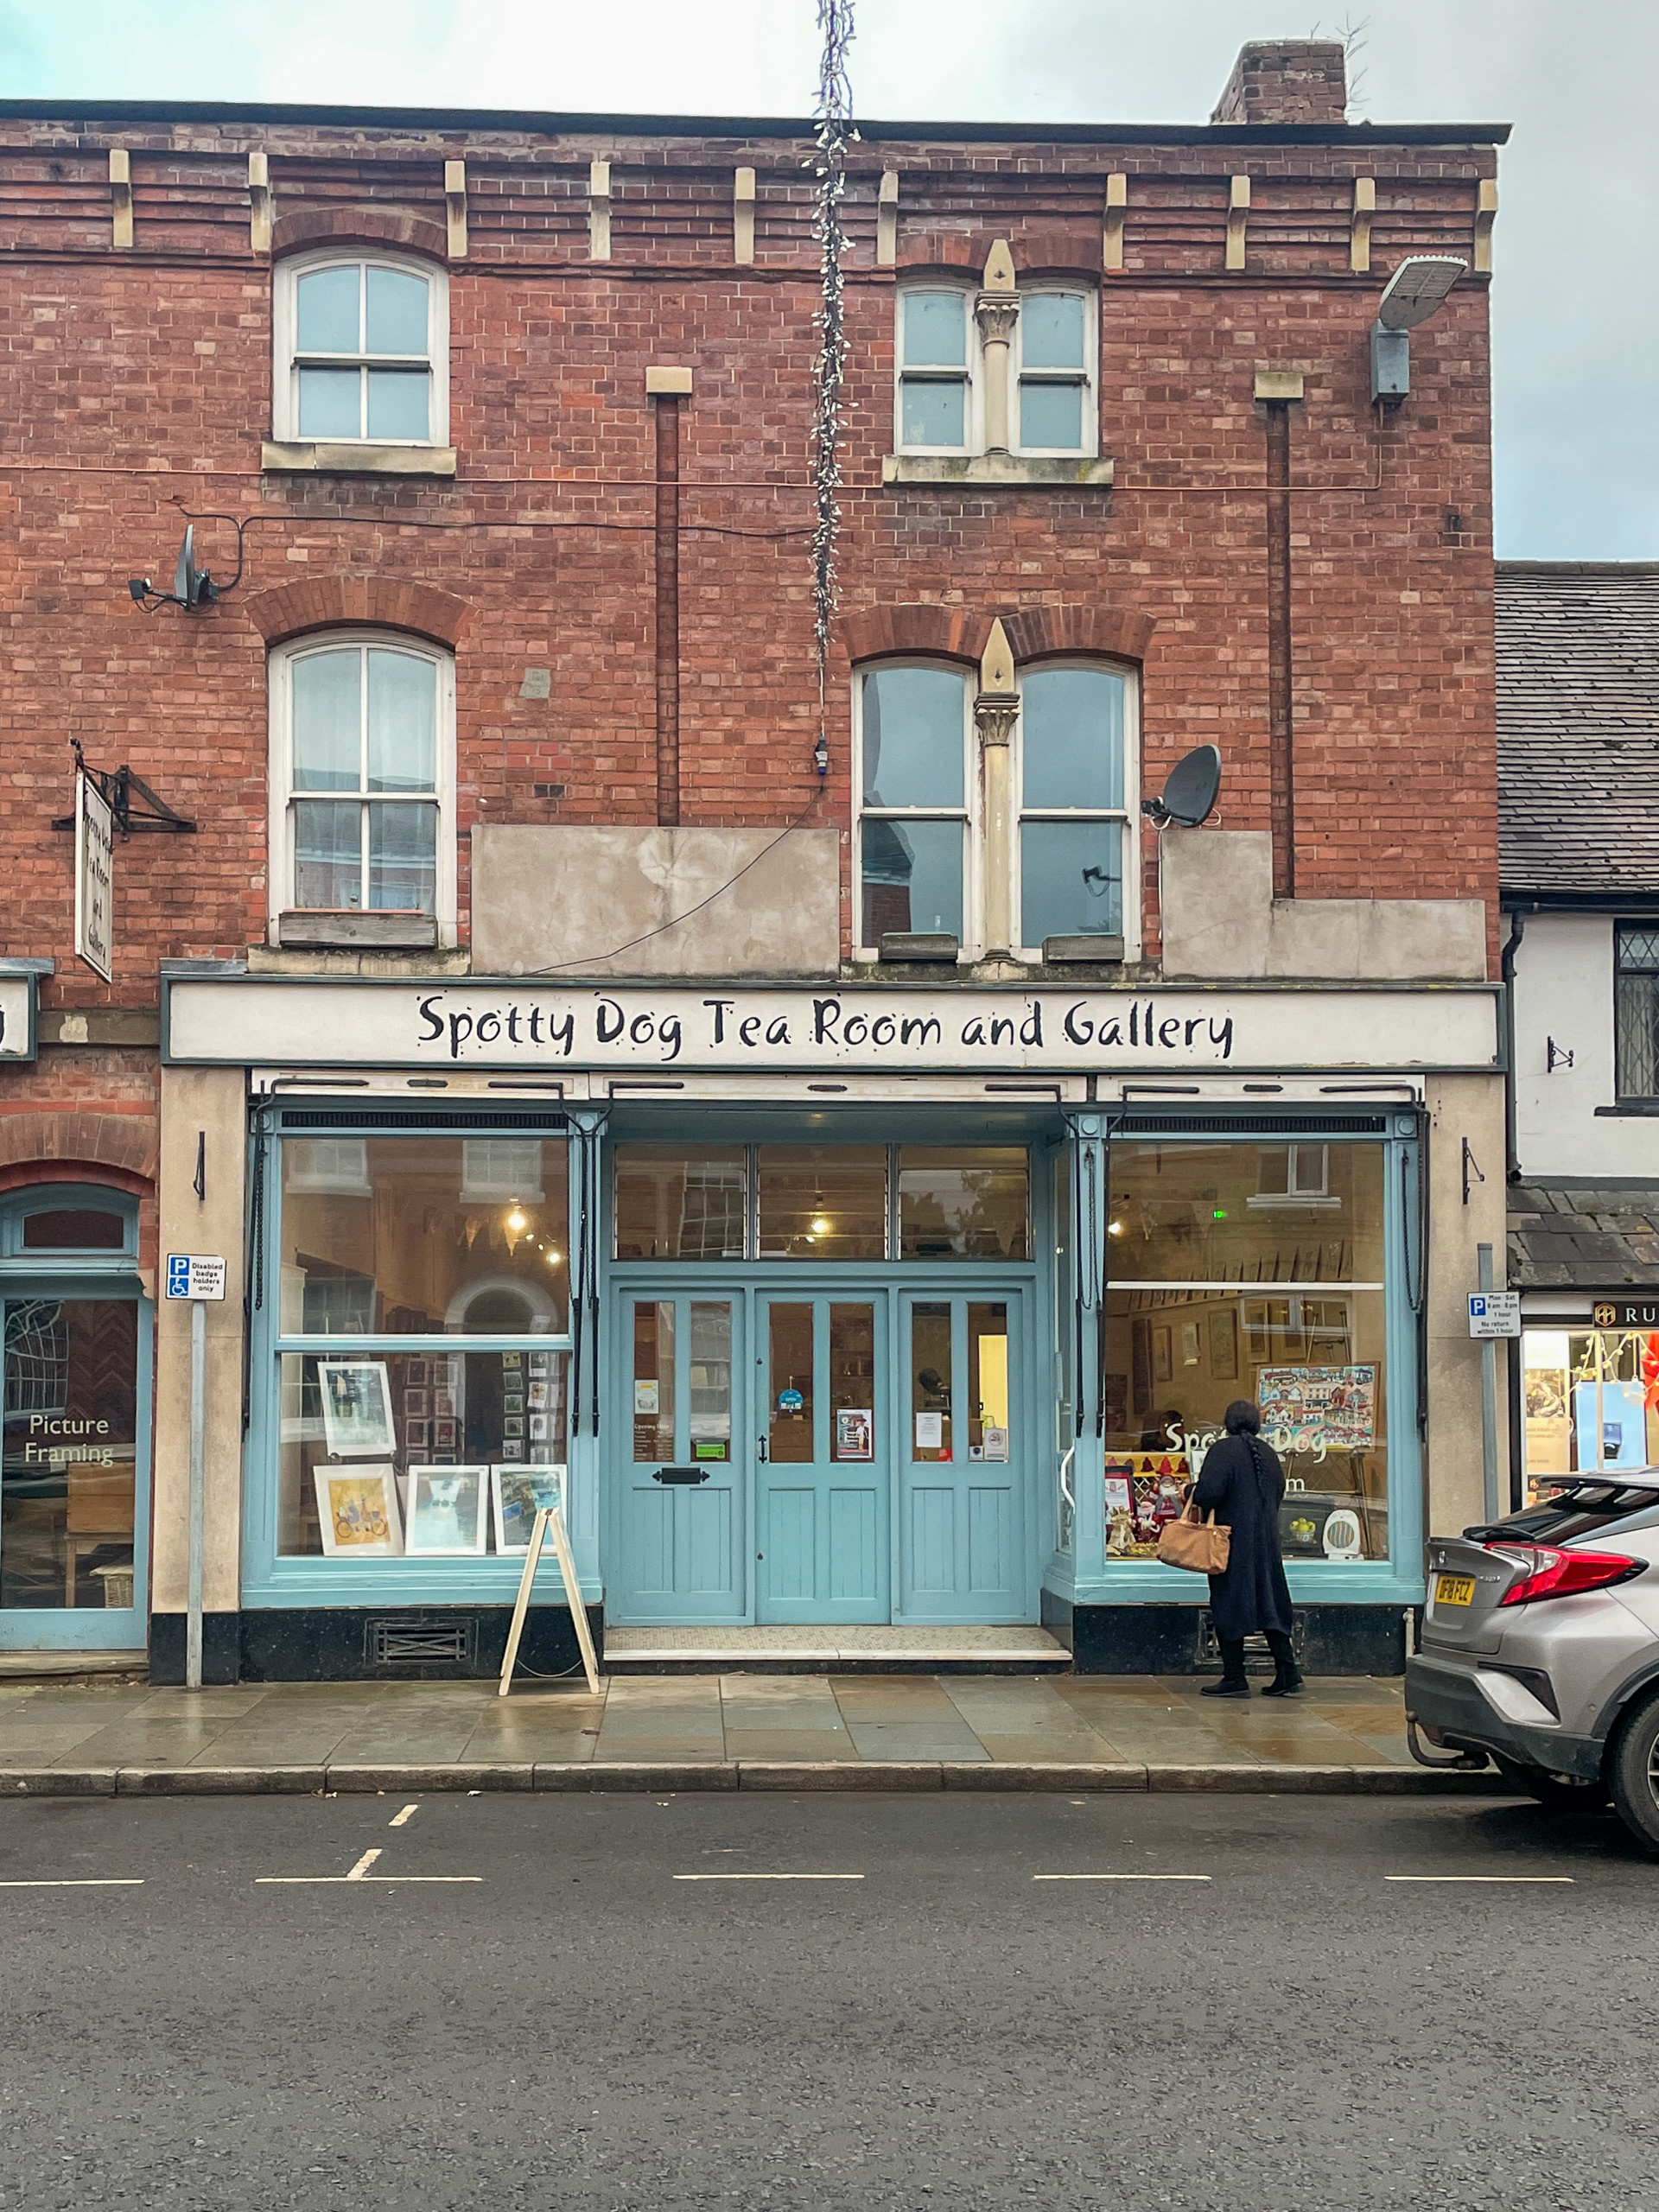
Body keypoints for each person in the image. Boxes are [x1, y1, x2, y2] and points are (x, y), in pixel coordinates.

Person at [1190, 1399, 1303, 1698]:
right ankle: (1288, 1672)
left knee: (1230, 1602)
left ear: (1226, 1423)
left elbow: (1210, 1493)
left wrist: (1191, 1492)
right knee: (1271, 1603)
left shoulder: (1222, 1451)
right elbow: (1278, 1491)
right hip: (1266, 1542)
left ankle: (1234, 1676)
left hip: (1230, 1541)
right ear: (1257, 1423)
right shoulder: (1267, 1453)